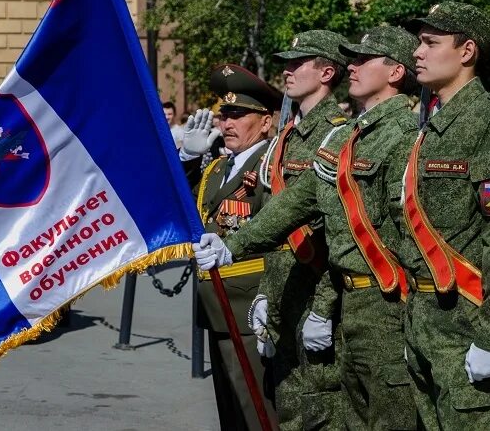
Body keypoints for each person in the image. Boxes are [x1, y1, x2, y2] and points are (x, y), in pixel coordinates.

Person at [194, 26, 421, 430]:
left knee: (334, 415)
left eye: (364, 59)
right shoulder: (322, 135)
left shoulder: (386, 133)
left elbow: (347, 235)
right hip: (295, 291)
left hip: (364, 301)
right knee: (298, 413)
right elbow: (291, 207)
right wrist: (258, 278)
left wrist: (322, 306)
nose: (354, 66)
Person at [403, 2, 490, 430]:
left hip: (467, 326)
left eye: (430, 43)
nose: (417, 53)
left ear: (466, 51)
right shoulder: (433, 125)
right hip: (424, 323)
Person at [253, 30, 350, 430]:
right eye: (286, 63)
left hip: (314, 294)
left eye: (298, 63)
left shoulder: (339, 134)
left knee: (319, 413)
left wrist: (324, 310)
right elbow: (274, 221)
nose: (287, 71)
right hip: (284, 295)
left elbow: (337, 231)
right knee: (289, 412)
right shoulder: (288, 137)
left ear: (327, 72)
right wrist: (264, 293)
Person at [180, 64, 281, 431]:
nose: (227, 124)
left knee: (257, 411)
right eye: (224, 115)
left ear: (266, 122)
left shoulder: (271, 165)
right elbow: (188, 215)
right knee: (232, 414)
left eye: (239, 115)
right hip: (216, 307)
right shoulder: (218, 168)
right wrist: (188, 162)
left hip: (250, 309)